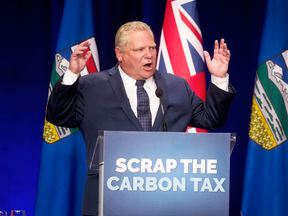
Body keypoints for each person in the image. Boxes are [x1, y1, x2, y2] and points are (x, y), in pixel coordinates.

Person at [47, 21, 236, 216]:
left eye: (152, 48)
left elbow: (210, 119)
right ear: (119, 54)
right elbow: (58, 116)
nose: (149, 55)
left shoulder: (177, 86)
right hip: (107, 203)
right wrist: (72, 74)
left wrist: (219, 78)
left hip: (167, 202)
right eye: (140, 49)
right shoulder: (91, 87)